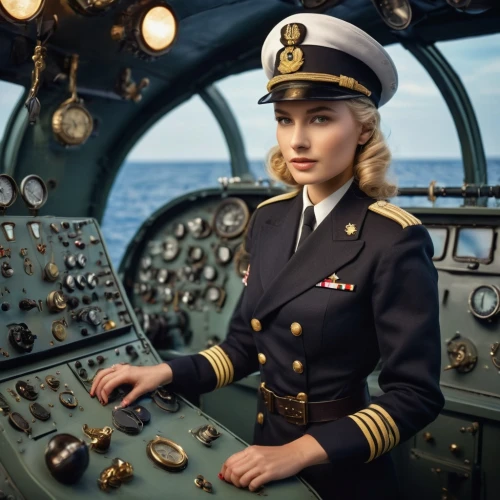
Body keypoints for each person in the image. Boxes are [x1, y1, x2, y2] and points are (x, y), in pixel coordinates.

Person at [91, 13, 444, 499]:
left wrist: (299, 451)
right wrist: (165, 370)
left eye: (320, 117)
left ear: (362, 129)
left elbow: (415, 395)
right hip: (263, 447)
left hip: (340, 464)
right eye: (284, 119)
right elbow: (241, 348)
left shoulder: (393, 238)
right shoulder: (269, 220)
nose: (297, 140)